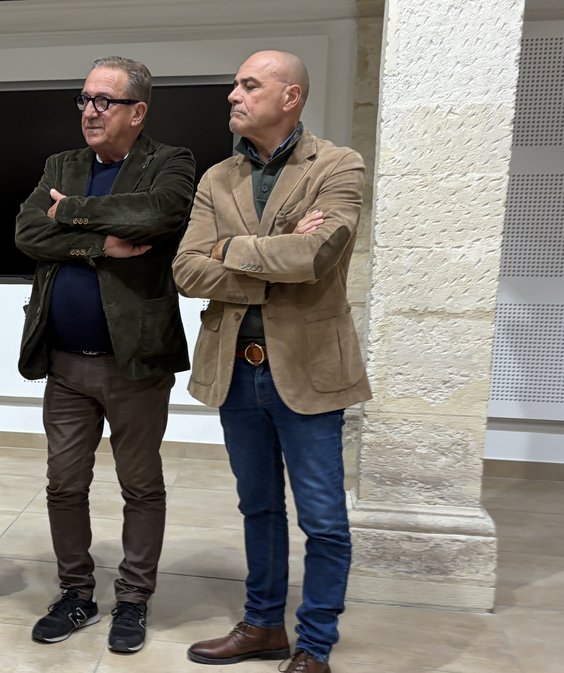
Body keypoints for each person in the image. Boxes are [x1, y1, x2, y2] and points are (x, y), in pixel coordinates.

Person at [171, 51, 370, 673]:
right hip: (237, 367)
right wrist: (268, 253)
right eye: (234, 83)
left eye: (248, 85)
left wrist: (230, 251)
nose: (233, 94)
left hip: (308, 369)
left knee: (323, 519)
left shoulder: (339, 165)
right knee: (257, 507)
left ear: (290, 97)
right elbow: (185, 269)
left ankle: (314, 646)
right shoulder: (216, 178)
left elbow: (318, 257)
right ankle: (263, 626)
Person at [16, 56, 195, 654]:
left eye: (104, 101)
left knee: (139, 486)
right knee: (64, 485)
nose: (90, 111)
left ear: (137, 112)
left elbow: (157, 214)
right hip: (65, 362)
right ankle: (76, 595)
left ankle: (134, 601)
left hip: (136, 363)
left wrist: (67, 212)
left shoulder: (170, 162)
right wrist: (100, 245)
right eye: (85, 99)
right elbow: (25, 233)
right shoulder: (61, 164)